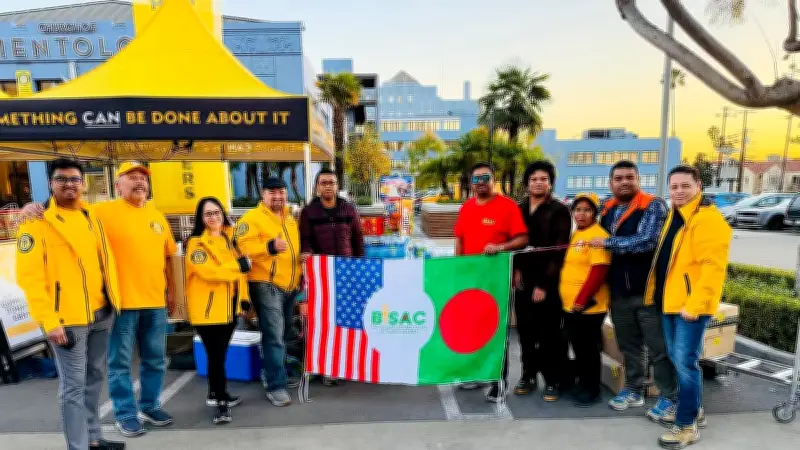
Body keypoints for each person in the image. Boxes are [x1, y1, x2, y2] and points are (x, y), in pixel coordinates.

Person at [21, 161, 179, 437]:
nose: (139, 182)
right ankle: (125, 413)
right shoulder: (99, 211)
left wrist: (173, 294)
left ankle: (150, 405)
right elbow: (63, 209)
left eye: (143, 177)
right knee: (119, 363)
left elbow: (168, 258)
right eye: (131, 177)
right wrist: (31, 208)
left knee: (154, 358)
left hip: (155, 302)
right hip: (120, 304)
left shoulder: (157, 216)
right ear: (118, 185)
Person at [16, 159, 125, 450]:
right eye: (62, 179)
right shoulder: (35, 222)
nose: (69, 184)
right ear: (51, 184)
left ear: (83, 183)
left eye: (75, 179)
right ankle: (77, 446)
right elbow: (30, 278)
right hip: (68, 320)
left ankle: (92, 437)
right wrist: (49, 322)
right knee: (73, 388)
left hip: (102, 312)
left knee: (94, 378)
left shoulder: (91, 217)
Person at [648, 166, 731, 449]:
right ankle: (694, 410)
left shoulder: (707, 219)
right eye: (674, 186)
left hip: (689, 306)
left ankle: (686, 425)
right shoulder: (677, 214)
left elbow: (713, 268)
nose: (679, 191)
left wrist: (694, 304)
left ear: (699, 186)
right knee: (678, 359)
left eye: (685, 186)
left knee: (685, 364)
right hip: (671, 302)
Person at [592, 160, 677, 421]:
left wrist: (606, 242)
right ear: (611, 183)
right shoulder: (606, 208)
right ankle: (633, 389)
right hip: (618, 292)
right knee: (629, 346)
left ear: (639, 180)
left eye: (630, 177)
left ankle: (670, 397)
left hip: (647, 292)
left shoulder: (652, 205)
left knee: (659, 348)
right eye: (618, 178)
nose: (624, 182)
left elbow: (647, 241)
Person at [453, 162, 528, 402]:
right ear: (470, 183)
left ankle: (499, 381)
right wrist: (458, 269)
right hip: (471, 281)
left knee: (496, 331)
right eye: (476, 179)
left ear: (493, 180)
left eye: (485, 178)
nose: (481, 182)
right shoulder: (466, 207)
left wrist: (501, 247)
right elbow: (460, 240)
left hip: (495, 282)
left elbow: (523, 239)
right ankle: (477, 373)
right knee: (473, 329)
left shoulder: (507, 207)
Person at [235, 177, 302, 407]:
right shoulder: (251, 219)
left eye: (281, 192)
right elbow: (240, 248)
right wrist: (268, 247)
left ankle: (274, 372)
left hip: (290, 285)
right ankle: (276, 385)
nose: (278, 197)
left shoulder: (289, 218)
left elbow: (294, 249)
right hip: (266, 284)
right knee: (274, 335)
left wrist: (300, 267)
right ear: (262, 196)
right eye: (272, 193)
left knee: (283, 334)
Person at [185, 197, 252, 425]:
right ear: (201, 219)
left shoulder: (228, 239)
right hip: (207, 312)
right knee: (216, 356)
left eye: (217, 212)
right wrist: (238, 266)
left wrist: (243, 299)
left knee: (219, 355)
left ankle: (215, 394)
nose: (213, 217)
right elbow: (210, 273)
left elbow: (241, 274)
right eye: (208, 214)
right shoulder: (196, 244)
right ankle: (221, 402)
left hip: (229, 308)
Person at [299, 168, 365, 387]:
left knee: (345, 320)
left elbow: (357, 239)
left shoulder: (349, 209)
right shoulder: (309, 212)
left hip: (347, 273)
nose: (328, 186)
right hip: (322, 277)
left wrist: (359, 266)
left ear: (337, 186)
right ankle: (325, 367)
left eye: (332, 182)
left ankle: (344, 363)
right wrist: (308, 260)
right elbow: (306, 241)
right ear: (317, 187)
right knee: (323, 322)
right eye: (324, 183)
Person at [512, 160, 572, 402]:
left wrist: (543, 285)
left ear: (550, 182)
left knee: (548, 334)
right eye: (534, 178)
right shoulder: (519, 208)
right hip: (523, 280)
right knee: (525, 332)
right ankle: (528, 375)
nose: (539, 183)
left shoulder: (559, 210)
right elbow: (516, 242)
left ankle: (553, 379)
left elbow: (560, 250)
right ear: (527, 182)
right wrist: (516, 271)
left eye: (544, 179)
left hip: (547, 280)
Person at [560, 193, 611, 408]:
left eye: (587, 210)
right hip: (571, 305)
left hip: (588, 306)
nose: (581, 214)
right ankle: (582, 384)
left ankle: (592, 390)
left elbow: (599, 271)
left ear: (595, 213)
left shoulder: (597, 235)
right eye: (578, 210)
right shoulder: (577, 233)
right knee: (579, 348)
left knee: (588, 350)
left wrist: (582, 299)